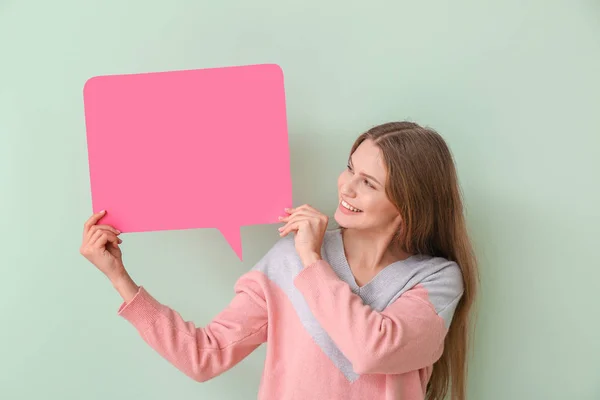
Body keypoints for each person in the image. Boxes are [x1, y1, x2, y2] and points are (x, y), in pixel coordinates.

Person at [80, 121, 478, 400]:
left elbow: (372, 351)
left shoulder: (437, 280)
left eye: (368, 183)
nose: (346, 187)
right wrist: (119, 277)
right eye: (350, 169)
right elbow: (204, 355)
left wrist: (312, 261)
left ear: (407, 206)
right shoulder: (287, 259)